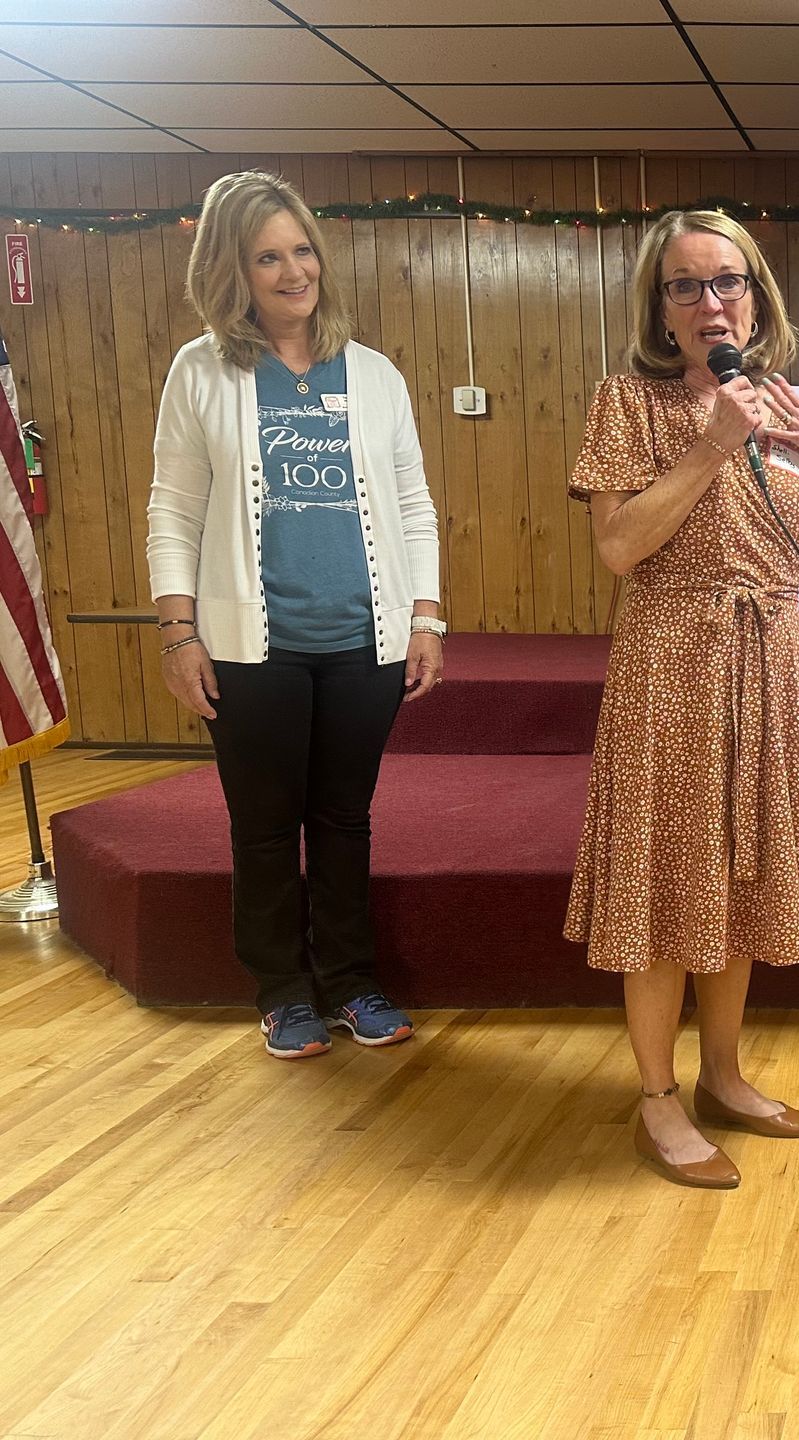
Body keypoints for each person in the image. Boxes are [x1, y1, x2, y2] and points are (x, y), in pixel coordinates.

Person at [566, 210, 799, 1188]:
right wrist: (710, 447)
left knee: (737, 883)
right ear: (660, 305)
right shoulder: (628, 405)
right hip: (674, 667)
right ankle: (657, 1097)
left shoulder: (784, 405)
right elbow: (617, 550)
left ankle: (724, 1074)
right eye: (683, 286)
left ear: (756, 292)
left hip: (770, 663)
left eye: (724, 281)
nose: (708, 301)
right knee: (668, 885)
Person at [148, 171, 445, 1060]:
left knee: (345, 819)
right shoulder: (201, 370)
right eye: (267, 257)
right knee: (267, 826)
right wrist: (179, 632)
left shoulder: (374, 374)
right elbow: (172, 509)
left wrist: (425, 617)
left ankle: (352, 980)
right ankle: (283, 991)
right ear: (233, 272)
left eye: (301, 250)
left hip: (364, 643)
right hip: (250, 648)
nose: (291, 272)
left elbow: (414, 502)